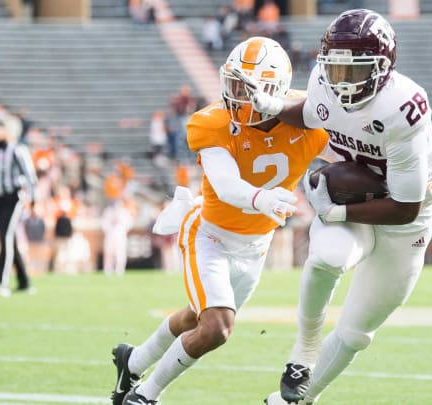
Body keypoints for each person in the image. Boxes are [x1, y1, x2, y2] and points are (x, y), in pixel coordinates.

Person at [239, 10, 432, 404]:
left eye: (353, 72)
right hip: (356, 193)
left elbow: (405, 206)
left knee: (356, 333)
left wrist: (337, 214)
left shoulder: (403, 109)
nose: (342, 82)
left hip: (406, 214)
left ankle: (295, 402)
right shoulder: (324, 82)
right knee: (328, 258)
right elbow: (310, 113)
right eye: (335, 70)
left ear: (383, 69)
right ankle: (304, 349)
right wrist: (272, 107)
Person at [109, 37, 329, 405]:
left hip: (256, 246)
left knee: (199, 319)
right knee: (217, 327)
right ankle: (144, 396)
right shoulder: (214, 122)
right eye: (235, 84)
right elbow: (226, 185)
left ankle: (133, 360)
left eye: (250, 88)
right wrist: (261, 197)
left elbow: (350, 151)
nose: (239, 96)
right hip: (208, 234)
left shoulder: (307, 122)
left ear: (275, 91)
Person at [0, 119, 37, 297]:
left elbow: (30, 177)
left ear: (4, 131)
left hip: (13, 198)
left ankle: (1, 282)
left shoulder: (17, 150)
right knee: (9, 240)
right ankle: (24, 282)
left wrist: (33, 201)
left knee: (6, 236)